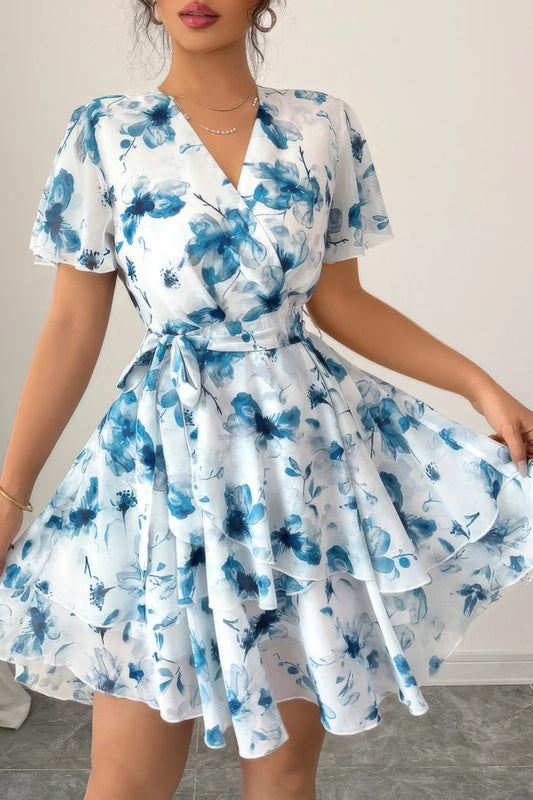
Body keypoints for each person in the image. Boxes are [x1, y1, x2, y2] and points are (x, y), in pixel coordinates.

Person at [1, 2, 532, 799]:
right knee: (126, 776)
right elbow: (74, 325)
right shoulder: (102, 131)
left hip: (300, 470)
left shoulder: (321, 124)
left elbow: (341, 302)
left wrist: (479, 386)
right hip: (161, 473)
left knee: (284, 769)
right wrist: (11, 491)